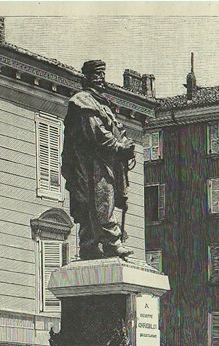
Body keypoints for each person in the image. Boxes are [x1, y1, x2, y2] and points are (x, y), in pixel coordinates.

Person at [61, 59, 136, 260]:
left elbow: (118, 130)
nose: (101, 79)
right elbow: (96, 132)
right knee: (100, 202)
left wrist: (127, 144)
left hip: (105, 163)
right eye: (96, 75)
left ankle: (92, 245)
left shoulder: (103, 105)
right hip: (90, 166)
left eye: (102, 75)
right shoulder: (82, 101)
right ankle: (107, 243)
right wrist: (119, 147)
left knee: (102, 202)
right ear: (86, 78)